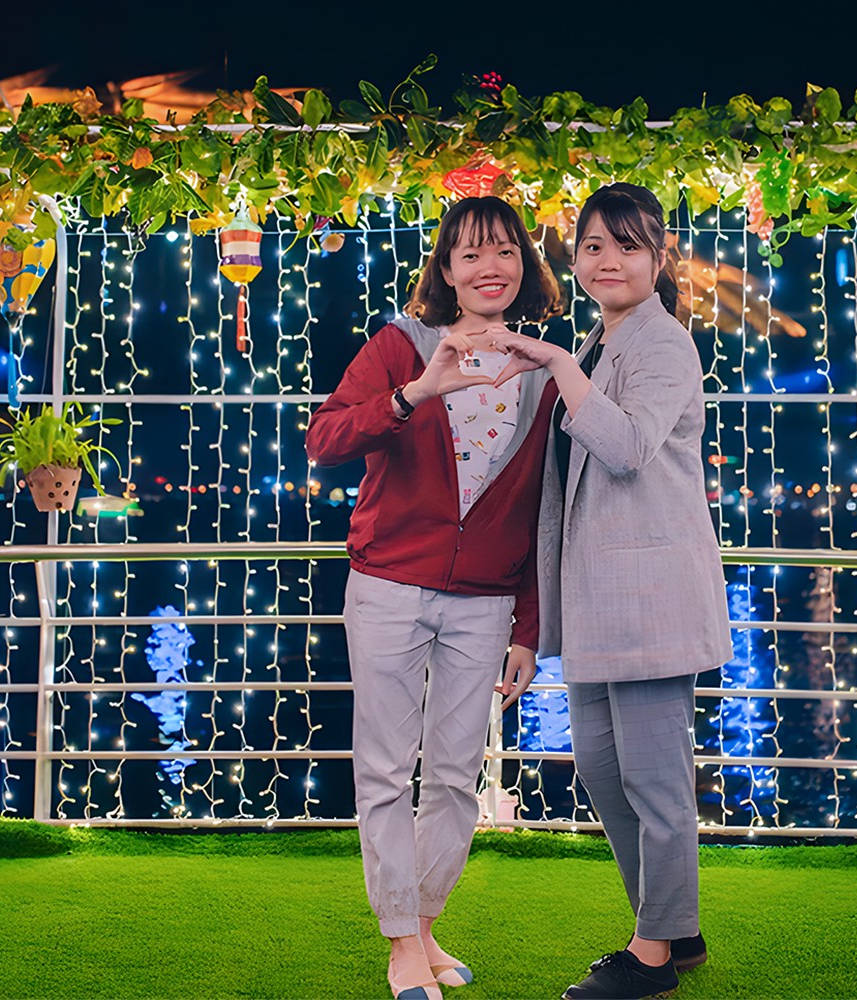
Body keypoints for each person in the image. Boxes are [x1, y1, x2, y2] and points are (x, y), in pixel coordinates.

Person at [305, 196, 564, 1000]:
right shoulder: (402, 345)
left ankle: (422, 926)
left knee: (455, 778)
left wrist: (528, 626)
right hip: (387, 586)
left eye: (506, 253)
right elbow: (326, 439)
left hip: (484, 601)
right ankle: (399, 942)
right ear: (446, 273)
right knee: (384, 771)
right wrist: (414, 393)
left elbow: (537, 514)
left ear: (525, 267)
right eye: (471, 255)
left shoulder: (547, 369)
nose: (491, 268)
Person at [487, 183, 732, 1000]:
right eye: (593, 245)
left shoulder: (660, 344)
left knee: (654, 781)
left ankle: (653, 954)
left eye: (627, 245)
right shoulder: (599, 344)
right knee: (599, 767)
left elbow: (627, 446)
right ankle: (673, 926)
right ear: (576, 257)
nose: (607, 260)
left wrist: (554, 363)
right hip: (597, 603)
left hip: (651, 598)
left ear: (658, 259)